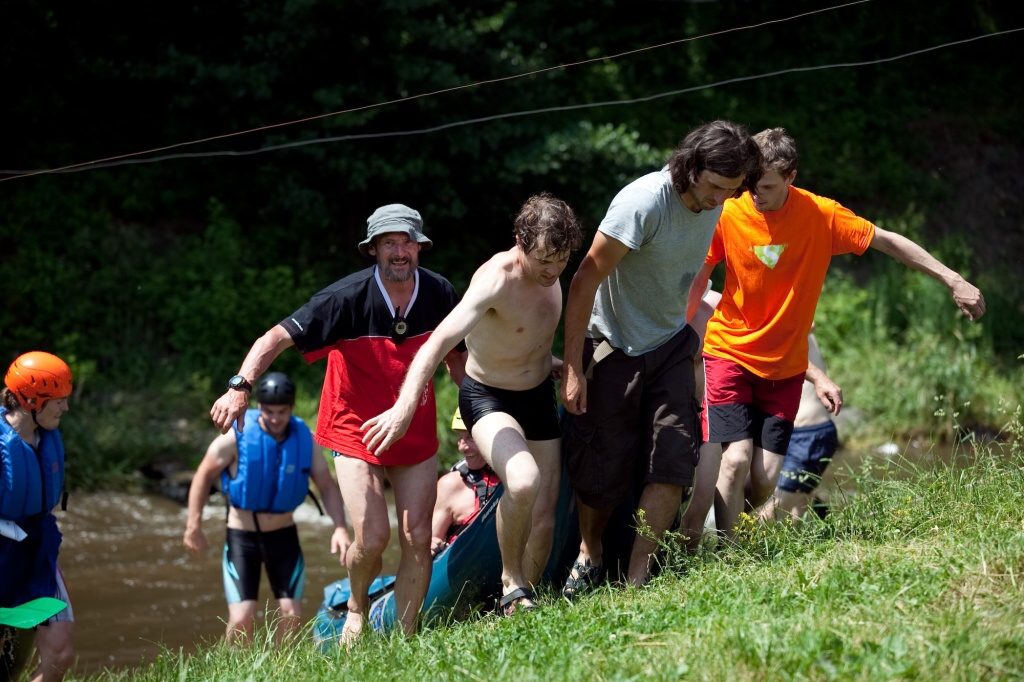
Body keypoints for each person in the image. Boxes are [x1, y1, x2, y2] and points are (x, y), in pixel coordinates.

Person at [682, 127, 986, 541]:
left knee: (766, 477)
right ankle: (729, 556)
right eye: (751, 185)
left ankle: (742, 537)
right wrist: (678, 326)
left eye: (767, 186)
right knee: (734, 461)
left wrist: (953, 279)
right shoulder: (730, 213)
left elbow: (889, 242)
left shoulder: (820, 215)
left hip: (785, 367)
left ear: (791, 176)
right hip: (729, 352)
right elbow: (700, 276)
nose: (755, 194)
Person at [210, 204, 465, 643]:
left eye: (406, 242)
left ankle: (405, 639)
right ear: (374, 250)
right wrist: (239, 386)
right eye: (389, 243)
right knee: (373, 535)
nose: (399, 251)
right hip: (354, 428)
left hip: (413, 427)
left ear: (420, 248)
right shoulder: (344, 298)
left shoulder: (440, 293)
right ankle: (356, 606)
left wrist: (480, 411)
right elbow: (273, 339)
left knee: (418, 536)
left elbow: (460, 363)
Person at [559, 120, 762, 596]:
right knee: (600, 472)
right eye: (715, 187)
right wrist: (571, 367)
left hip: (670, 344)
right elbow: (584, 279)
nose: (720, 200)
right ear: (691, 167)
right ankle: (591, 554)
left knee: (672, 460)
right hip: (613, 346)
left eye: (731, 191)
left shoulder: (721, 199)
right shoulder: (643, 202)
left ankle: (637, 578)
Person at [364, 193, 583, 616]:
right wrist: (404, 406)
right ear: (520, 241)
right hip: (489, 396)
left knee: (544, 516)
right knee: (521, 481)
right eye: (544, 262)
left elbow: (526, 336)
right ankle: (510, 582)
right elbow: (438, 343)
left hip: (538, 392)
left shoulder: (551, 265)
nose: (553, 270)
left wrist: (558, 365)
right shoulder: (495, 280)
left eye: (561, 262)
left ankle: (523, 603)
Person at [184, 372, 349, 644]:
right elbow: (202, 475)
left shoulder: (306, 441)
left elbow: (327, 487)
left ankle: (280, 670)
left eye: (282, 412)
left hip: (284, 537)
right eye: (269, 411)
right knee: (241, 618)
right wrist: (193, 525)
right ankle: (235, 672)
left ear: (291, 409)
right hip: (242, 538)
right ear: (258, 406)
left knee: (291, 614)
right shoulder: (235, 436)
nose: (275, 418)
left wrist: (340, 528)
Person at [0, 352, 75, 682]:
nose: (65, 409)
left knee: (60, 654)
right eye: (57, 401)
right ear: (31, 399)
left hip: (38, 553)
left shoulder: (48, 435)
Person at [756, 329, 839, 522]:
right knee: (794, 510)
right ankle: (820, 519)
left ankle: (738, 550)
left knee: (769, 514)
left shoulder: (795, 328)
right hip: (789, 433)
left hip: (809, 434)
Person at [430, 408, 500, 557]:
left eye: (470, 437)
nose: (461, 446)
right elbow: (430, 540)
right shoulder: (450, 485)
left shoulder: (521, 473)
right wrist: (431, 545)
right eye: (460, 437)